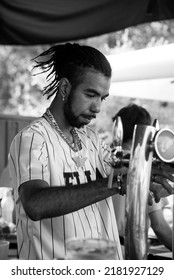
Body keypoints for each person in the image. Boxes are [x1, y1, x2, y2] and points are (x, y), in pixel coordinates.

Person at [8, 43, 174, 260]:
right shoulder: (33, 139)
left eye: (102, 98)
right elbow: (35, 204)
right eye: (91, 94)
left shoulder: (93, 141)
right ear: (65, 88)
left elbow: (132, 172)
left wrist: (155, 172)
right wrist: (120, 182)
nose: (98, 107)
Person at [112, 103, 173, 254]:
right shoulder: (143, 166)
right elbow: (159, 225)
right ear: (147, 132)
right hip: (131, 250)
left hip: (107, 249)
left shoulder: (107, 160)